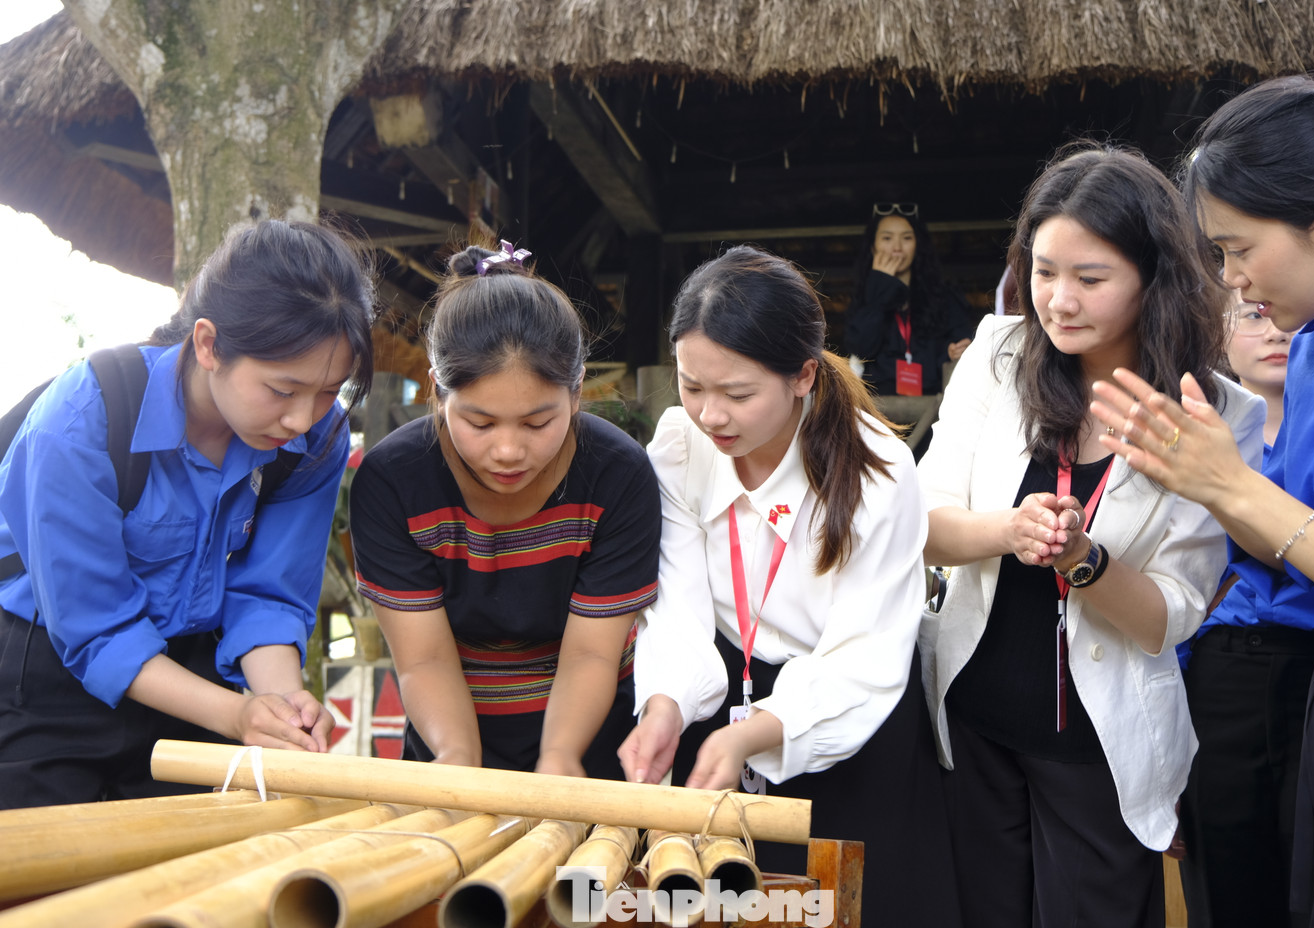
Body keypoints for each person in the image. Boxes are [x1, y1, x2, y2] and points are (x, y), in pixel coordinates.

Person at [918, 144, 1265, 927]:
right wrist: (1008, 532)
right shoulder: (997, 359)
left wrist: (1083, 560)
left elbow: (1167, 617)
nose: (1058, 300)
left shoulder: (1218, 413)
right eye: (1043, 272)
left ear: (1154, 276)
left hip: (1100, 747)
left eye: (1090, 278)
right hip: (974, 719)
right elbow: (923, 526)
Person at [1090, 74, 1314, 926]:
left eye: (1238, 248)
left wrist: (1230, 485)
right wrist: (1200, 478)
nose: (1232, 280)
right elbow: (1286, 540)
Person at [619, 245, 961, 926]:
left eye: (738, 394)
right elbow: (678, 606)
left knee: (848, 905)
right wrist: (664, 705)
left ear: (803, 375)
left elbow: (865, 656)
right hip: (718, 707)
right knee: (713, 904)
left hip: (847, 720)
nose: (710, 414)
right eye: (691, 385)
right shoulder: (680, 445)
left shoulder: (880, 471)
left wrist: (756, 735)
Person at [0, 219, 377, 808]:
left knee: (201, 879)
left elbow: (269, 599)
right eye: (282, 389)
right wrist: (238, 715)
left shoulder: (315, 441)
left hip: (199, 675)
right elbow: (96, 630)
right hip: (49, 672)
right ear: (208, 344)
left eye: (329, 391)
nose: (304, 419)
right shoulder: (80, 422)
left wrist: (281, 708)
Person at [349, 244, 659, 779]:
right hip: (449, 739)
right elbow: (423, 660)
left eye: (538, 423)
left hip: (589, 746)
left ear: (577, 391)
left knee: (581, 868)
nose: (510, 450)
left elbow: (591, 655)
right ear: (438, 391)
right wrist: (458, 764)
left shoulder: (618, 475)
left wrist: (560, 757)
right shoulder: (392, 482)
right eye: (481, 423)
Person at [1177, 299, 1314, 928]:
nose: (1275, 333)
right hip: (1226, 670)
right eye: (1253, 317)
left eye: (1285, 317)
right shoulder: (1198, 432)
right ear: (1219, 332)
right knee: (1229, 886)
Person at [843, 202, 975, 396]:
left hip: (932, 409)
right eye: (887, 238)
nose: (897, 248)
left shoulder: (944, 297)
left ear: (917, 245)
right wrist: (881, 289)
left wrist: (953, 352)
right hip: (881, 411)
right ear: (873, 247)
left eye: (906, 238)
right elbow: (861, 349)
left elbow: (963, 346)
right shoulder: (862, 297)